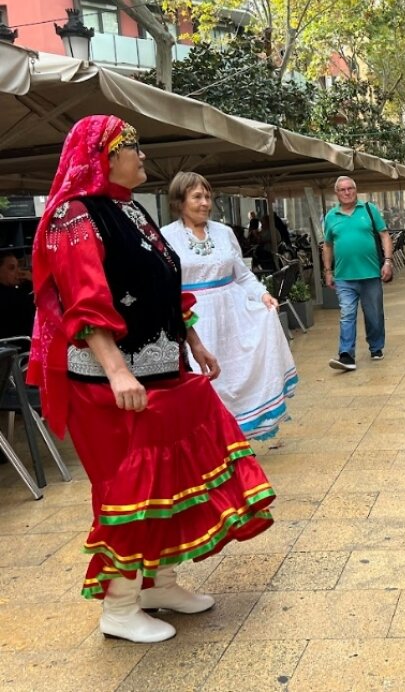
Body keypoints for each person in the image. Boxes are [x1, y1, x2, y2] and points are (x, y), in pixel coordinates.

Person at [28, 115, 275, 643]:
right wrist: (117, 370)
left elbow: (164, 286)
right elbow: (83, 301)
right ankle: (118, 607)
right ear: (103, 156)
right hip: (110, 383)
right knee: (127, 487)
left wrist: (195, 342)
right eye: (131, 147)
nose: (142, 156)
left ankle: (159, 582)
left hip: (162, 371)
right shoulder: (75, 215)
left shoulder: (130, 209)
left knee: (171, 478)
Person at [161, 172, 298, 445]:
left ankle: (237, 438)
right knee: (206, 380)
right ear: (179, 201)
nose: (205, 203)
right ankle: (212, 441)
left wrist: (262, 296)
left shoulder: (224, 233)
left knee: (236, 373)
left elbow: (243, 275)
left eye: (207, 196)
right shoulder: (166, 237)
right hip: (196, 320)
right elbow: (165, 286)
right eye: (197, 197)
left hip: (234, 316)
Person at [322, 176, 393, 371]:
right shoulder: (330, 217)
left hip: (370, 274)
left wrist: (388, 261)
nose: (347, 192)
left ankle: (376, 346)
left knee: (374, 315)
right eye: (342, 190)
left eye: (350, 189)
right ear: (337, 193)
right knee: (347, 314)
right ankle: (346, 355)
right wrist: (328, 271)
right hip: (344, 276)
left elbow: (384, 235)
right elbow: (327, 245)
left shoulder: (369, 210)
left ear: (356, 190)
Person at [0, 251, 35, 340]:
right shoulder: (8, 296)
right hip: (16, 344)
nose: (18, 272)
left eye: (18, 267)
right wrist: (33, 282)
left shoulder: (16, 291)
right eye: (12, 268)